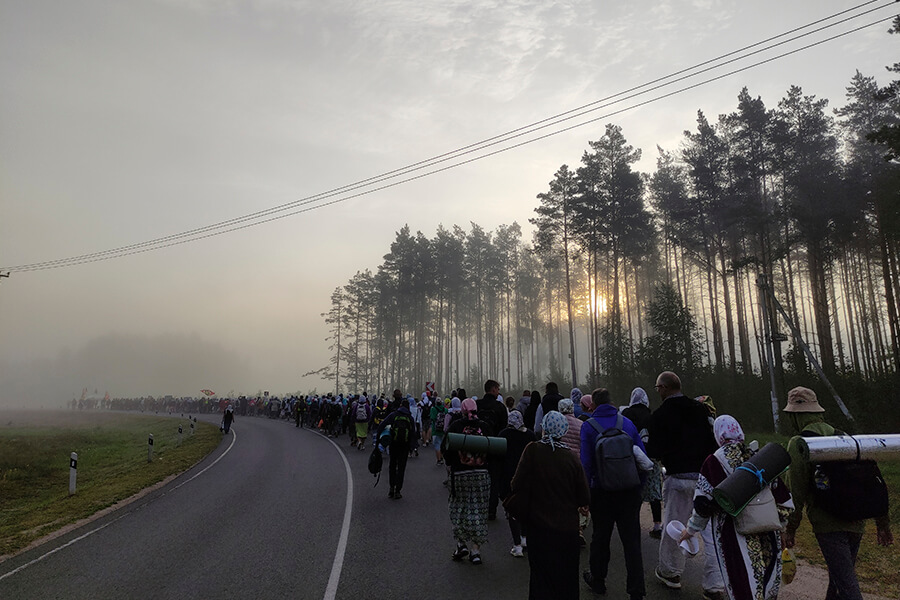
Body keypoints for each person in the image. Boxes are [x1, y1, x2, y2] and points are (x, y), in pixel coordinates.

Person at [782, 386, 893, 600]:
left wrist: (790, 528)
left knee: (847, 587)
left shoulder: (799, 444)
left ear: (796, 416)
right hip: (857, 521)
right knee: (838, 580)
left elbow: (795, 491)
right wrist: (882, 523)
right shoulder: (845, 438)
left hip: (828, 525)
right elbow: (873, 480)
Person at [679, 415, 793, 600]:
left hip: (734, 534)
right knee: (765, 583)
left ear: (718, 435)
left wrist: (690, 531)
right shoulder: (759, 457)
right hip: (768, 531)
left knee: (743, 584)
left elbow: (702, 505)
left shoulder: (713, 462)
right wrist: (783, 526)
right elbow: (784, 500)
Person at [646, 371, 720, 594]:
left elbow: (655, 450)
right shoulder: (700, 409)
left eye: (658, 388)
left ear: (665, 388)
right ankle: (715, 584)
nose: (657, 391)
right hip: (703, 479)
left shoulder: (659, 415)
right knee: (710, 534)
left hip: (677, 478)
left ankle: (671, 572)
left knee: (674, 526)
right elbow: (712, 442)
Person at [510, 411, 590, 599]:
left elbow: (515, 484)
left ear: (544, 428)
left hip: (539, 528)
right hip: (567, 530)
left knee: (540, 577)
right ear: (563, 430)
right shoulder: (571, 458)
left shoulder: (533, 450)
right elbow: (584, 496)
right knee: (567, 578)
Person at [580, 388, 648, 600]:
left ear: (593, 405)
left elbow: (586, 464)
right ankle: (636, 590)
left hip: (602, 492)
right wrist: (639, 488)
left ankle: (598, 581)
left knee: (601, 538)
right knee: (632, 542)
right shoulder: (626, 424)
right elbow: (642, 460)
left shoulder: (589, 427)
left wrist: (585, 496)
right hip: (629, 492)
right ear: (611, 402)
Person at [445, 397, 493, 564]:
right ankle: (476, 550)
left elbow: (447, 450)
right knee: (479, 510)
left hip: (460, 475)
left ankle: (461, 543)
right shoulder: (485, 427)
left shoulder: (456, 426)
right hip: (481, 474)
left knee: (459, 508)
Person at [622, 387, 663, 538]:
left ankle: (632, 523)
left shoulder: (626, 414)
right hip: (651, 458)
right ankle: (657, 525)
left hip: (631, 458)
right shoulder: (651, 415)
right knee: (654, 493)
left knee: (634, 492)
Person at [498, 409, 536, 557]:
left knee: (512, 510)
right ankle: (525, 537)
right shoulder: (530, 435)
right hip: (527, 477)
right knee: (526, 508)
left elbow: (498, 457)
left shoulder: (504, 435)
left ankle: (517, 545)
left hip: (509, 477)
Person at [477, 379, 507, 520]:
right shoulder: (500, 407)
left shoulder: (477, 405)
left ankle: (478, 507)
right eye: (498, 388)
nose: (498, 391)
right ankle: (491, 509)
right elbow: (504, 429)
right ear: (493, 389)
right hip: (495, 447)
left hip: (477, 446)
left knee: (478, 477)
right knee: (494, 480)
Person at [376, 395, 417, 499]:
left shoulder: (393, 415)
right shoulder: (410, 417)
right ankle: (398, 490)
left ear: (400, 405)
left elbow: (381, 425)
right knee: (401, 468)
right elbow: (413, 433)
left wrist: (378, 440)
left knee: (392, 466)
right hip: (405, 445)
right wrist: (412, 447)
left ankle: (391, 488)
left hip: (394, 444)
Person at [431, 395, 448, 465]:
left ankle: (438, 459)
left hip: (435, 430)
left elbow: (432, 418)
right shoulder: (445, 410)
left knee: (437, 445)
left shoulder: (433, 409)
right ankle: (441, 458)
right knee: (442, 444)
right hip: (443, 429)